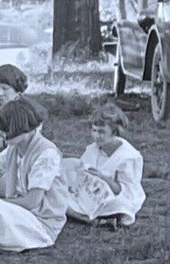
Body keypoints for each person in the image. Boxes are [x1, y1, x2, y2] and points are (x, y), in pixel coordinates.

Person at [61, 100, 147, 226]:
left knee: (121, 206)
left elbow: (123, 191)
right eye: (94, 130)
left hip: (115, 196)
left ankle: (93, 219)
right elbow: (83, 174)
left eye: (101, 132)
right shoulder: (93, 149)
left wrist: (102, 177)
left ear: (114, 132)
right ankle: (96, 220)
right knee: (60, 196)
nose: (96, 136)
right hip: (92, 193)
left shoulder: (128, 157)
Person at [0, 96, 67, 252]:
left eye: (5, 130)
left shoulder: (47, 154)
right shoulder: (15, 148)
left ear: (20, 127)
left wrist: (4, 202)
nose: (2, 134)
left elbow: (32, 202)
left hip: (41, 225)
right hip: (22, 214)